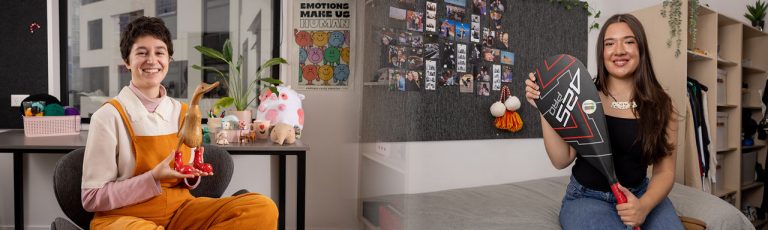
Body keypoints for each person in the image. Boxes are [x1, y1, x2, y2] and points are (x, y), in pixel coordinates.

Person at [81, 16, 278, 229]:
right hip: (123, 218)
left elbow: (185, 176)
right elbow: (92, 198)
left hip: (180, 212)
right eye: (141, 52)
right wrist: (153, 177)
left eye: (159, 52)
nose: (152, 60)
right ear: (127, 62)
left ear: (169, 61)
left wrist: (190, 176)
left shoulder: (183, 112)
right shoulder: (109, 116)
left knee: (263, 208)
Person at [524, 14, 683, 229]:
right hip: (587, 198)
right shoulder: (583, 94)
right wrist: (546, 106)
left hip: (641, 194)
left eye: (628, 41)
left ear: (641, 49)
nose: (619, 50)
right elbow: (561, 160)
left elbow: (665, 171)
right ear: (602, 52)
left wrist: (643, 206)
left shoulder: (663, 106)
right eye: (610, 43)